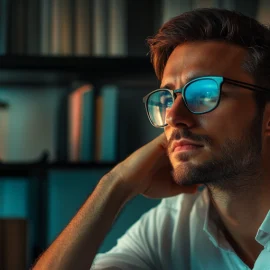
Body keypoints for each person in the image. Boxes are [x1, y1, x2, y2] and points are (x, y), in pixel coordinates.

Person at [33, 8, 270, 270]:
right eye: (168, 98)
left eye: (204, 94)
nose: (173, 116)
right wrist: (116, 185)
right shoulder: (172, 224)